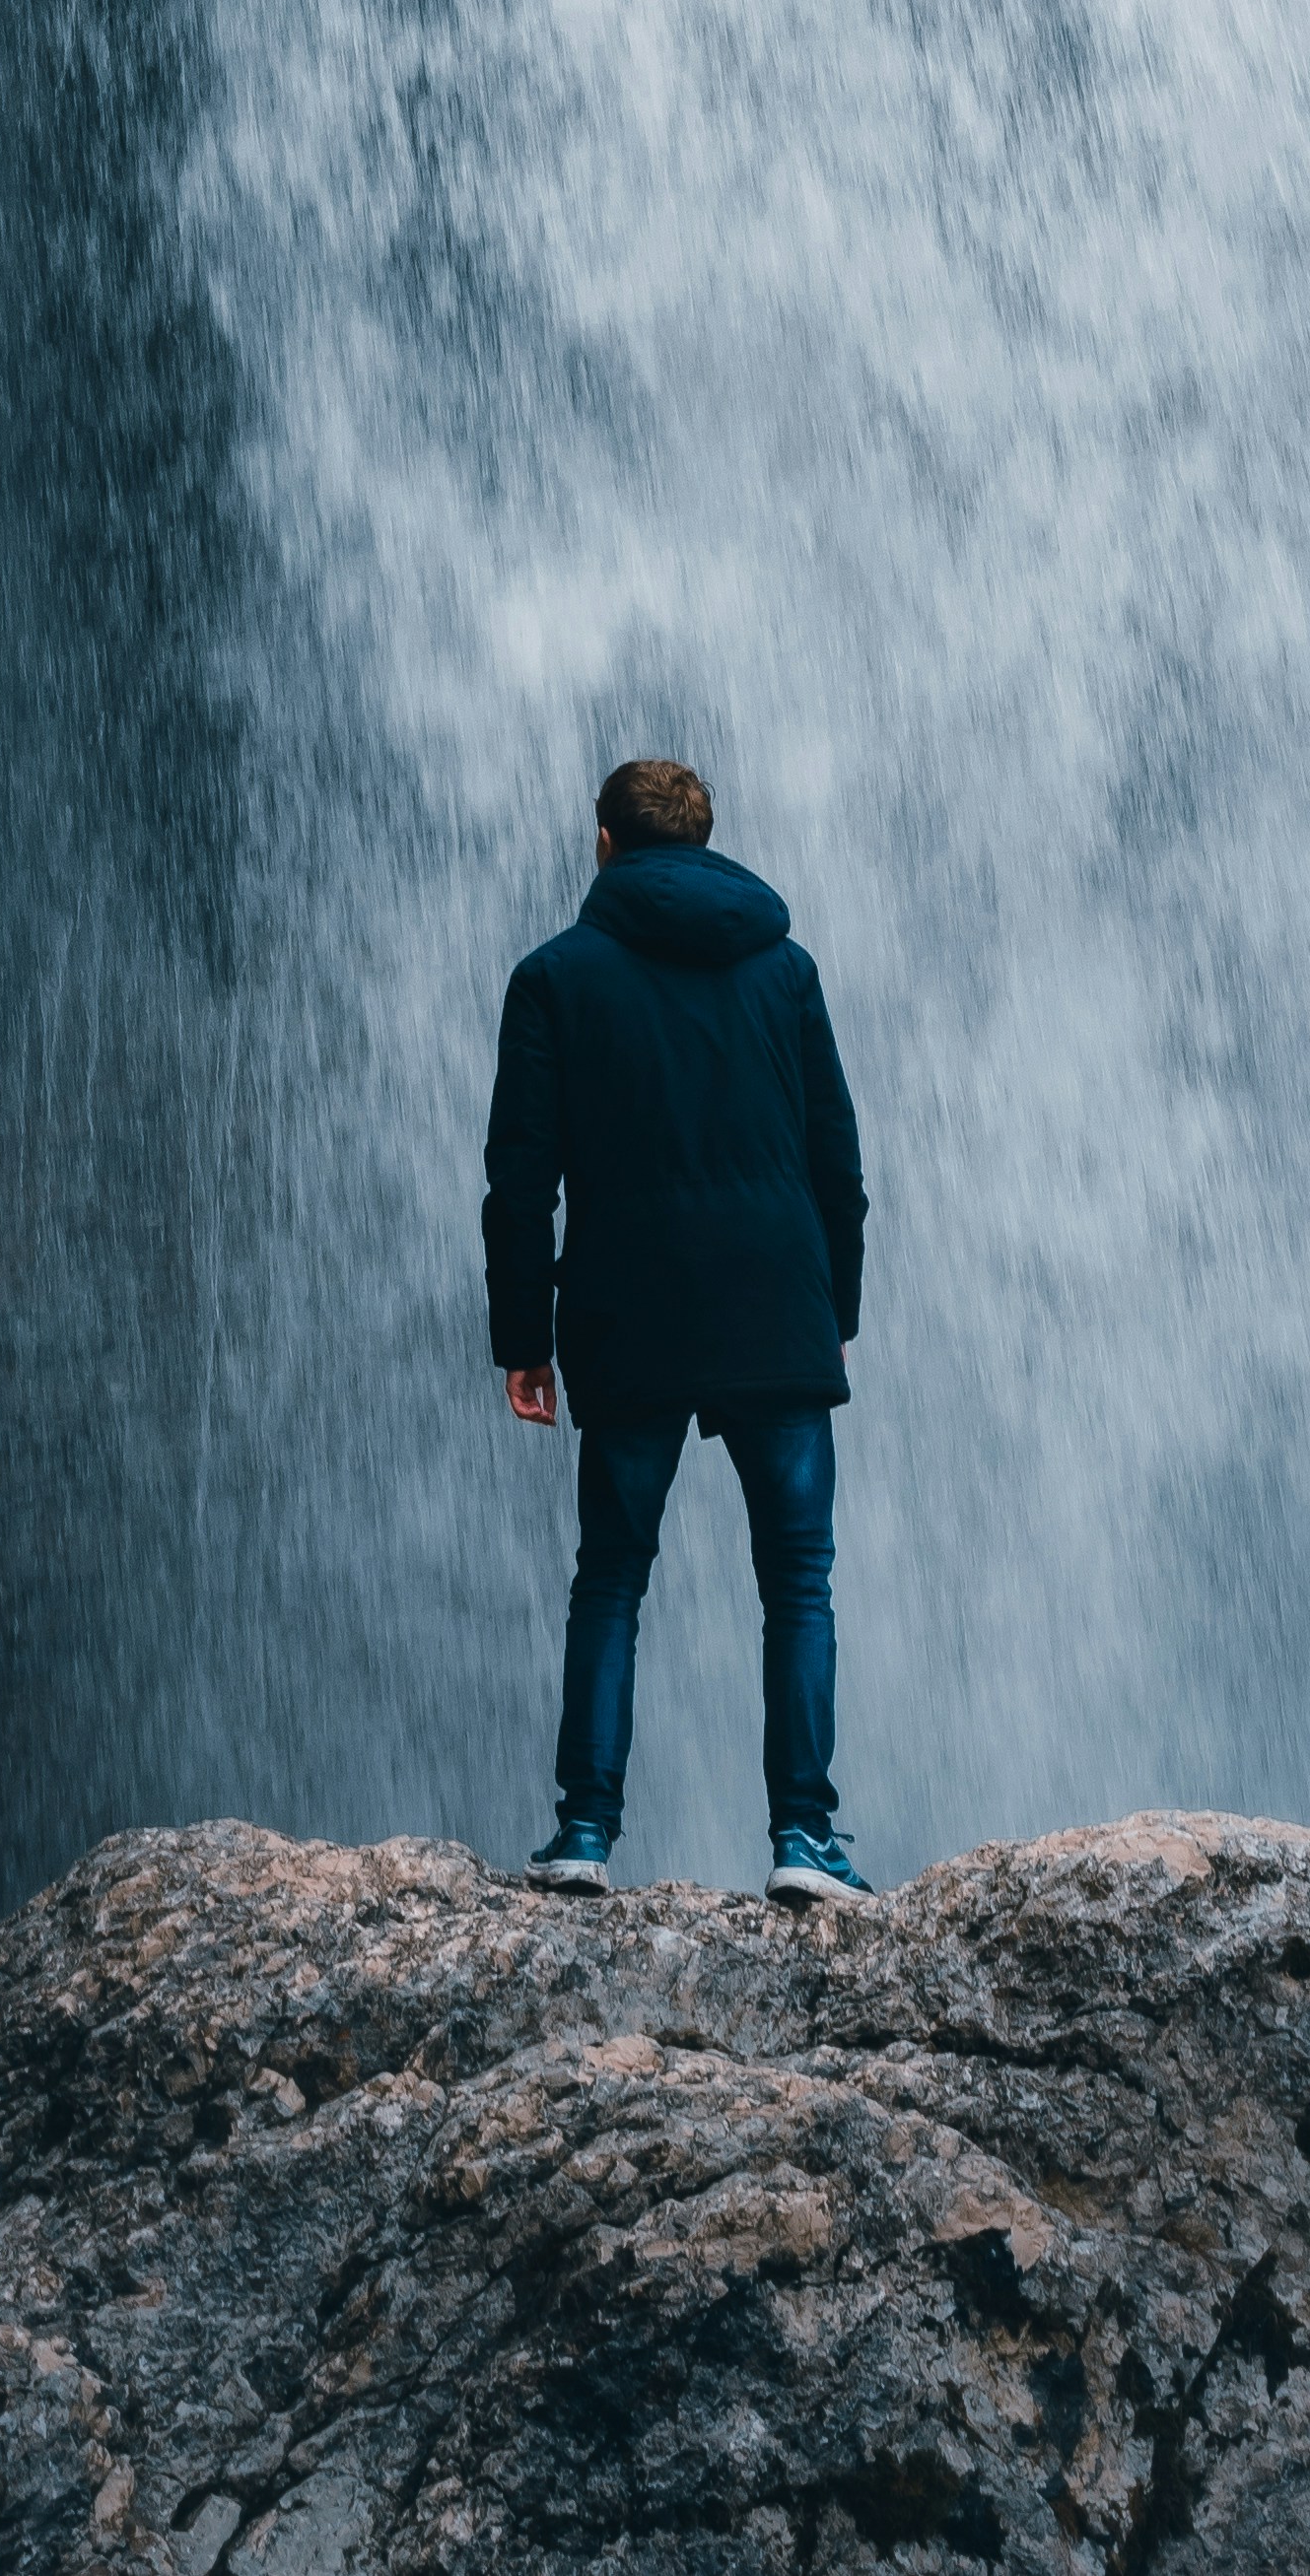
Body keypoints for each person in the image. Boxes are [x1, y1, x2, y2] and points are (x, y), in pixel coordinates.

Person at [483, 751, 872, 1902]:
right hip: (774, 1303)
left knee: (610, 1575)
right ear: (706, 843)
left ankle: (584, 1837)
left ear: (604, 843)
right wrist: (834, 1307)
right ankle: (805, 1840)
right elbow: (837, 1161)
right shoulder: (786, 970)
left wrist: (523, 1338)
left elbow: (520, 1181)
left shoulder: (554, 978)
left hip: (629, 1305)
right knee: (798, 1579)